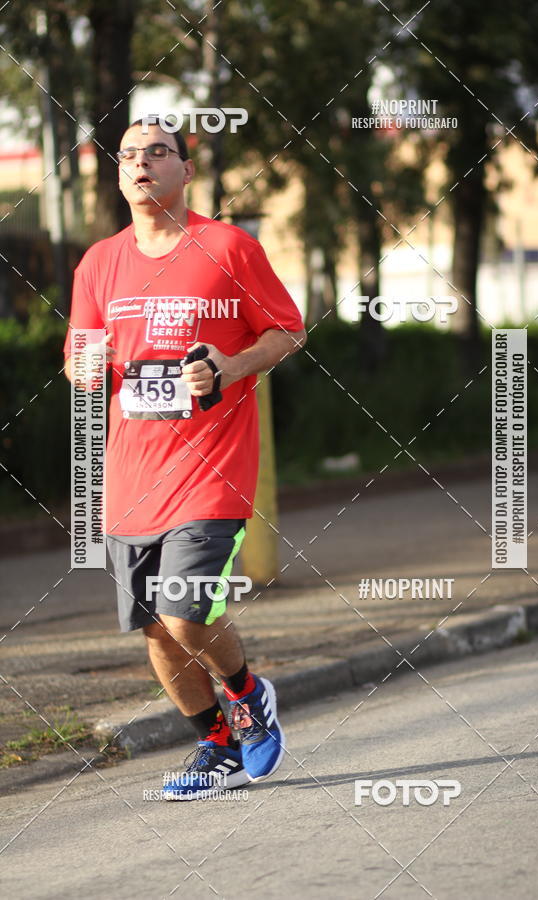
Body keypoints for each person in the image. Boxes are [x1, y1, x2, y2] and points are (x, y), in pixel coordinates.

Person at [63, 116, 306, 800]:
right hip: (131, 478)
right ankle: (217, 744)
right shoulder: (98, 263)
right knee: (156, 633)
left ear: (186, 169)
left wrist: (230, 366)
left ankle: (248, 694)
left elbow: (287, 330)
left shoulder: (228, 247)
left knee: (184, 615)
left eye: (158, 152)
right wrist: (85, 369)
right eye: (128, 155)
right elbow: (79, 356)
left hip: (210, 472)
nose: (141, 163)